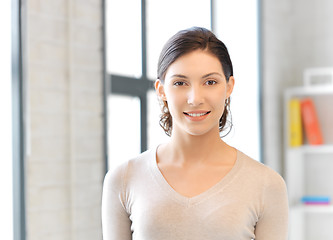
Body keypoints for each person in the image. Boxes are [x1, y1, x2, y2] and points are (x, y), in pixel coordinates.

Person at [102, 27, 289, 240]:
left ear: (229, 87)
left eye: (210, 82)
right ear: (161, 90)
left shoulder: (266, 184)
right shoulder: (124, 179)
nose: (195, 98)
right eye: (180, 83)